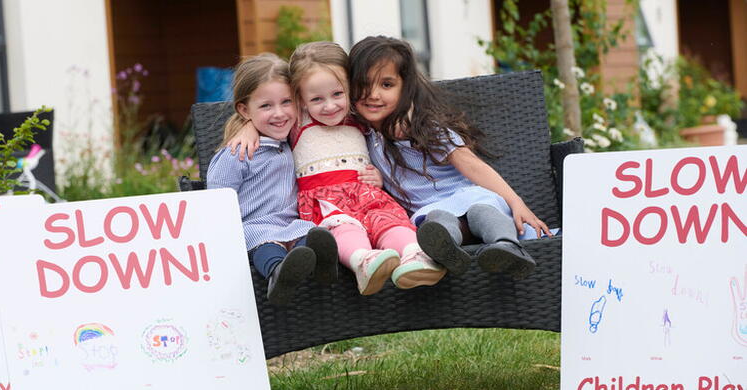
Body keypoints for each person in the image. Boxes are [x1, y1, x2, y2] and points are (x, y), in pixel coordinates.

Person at [228, 42, 447, 295]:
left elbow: (394, 107)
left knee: (390, 224)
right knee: (343, 229)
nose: (329, 106)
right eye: (316, 99)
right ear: (300, 100)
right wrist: (248, 126)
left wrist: (377, 175)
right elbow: (269, 111)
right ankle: (363, 261)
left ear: (349, 89)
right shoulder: (298, 119)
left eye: (337, 94)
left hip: (368, 196)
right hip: (326, 203)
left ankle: (414, 257)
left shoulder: (359, 115)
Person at [348, 36, 552, 280]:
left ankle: (507, 247)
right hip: (430, 211)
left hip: (467, 196)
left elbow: (470, 164)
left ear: (406, 88)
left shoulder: (424, 127)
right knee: (438, 221)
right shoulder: (363, 137)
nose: (373, 94)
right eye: (364, 84)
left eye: (387, 85)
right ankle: (447, 252)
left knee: (482, 212)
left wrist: (516, 202)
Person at [206, 53, 338, 305]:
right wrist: (247, 127)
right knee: (266, 243)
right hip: (251, 227)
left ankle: (316, 264)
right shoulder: (237, 152)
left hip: (290, 224)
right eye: (266, 106)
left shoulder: (292, 138)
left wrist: (252, 124)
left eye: (286, 102)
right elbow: (215, 202)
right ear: (244, 109)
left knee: (311, 233)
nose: (279, 113)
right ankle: (278, 274)